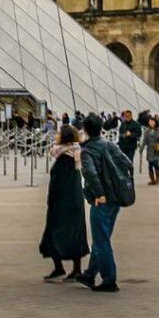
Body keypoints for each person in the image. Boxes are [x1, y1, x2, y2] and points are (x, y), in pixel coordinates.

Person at [73, 113, 132, 293]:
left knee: (101, 240)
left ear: (86, 130)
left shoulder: (87, 151)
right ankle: (90, 273)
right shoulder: (110, 145)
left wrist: (99, 193)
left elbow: (90, 174)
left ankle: (109, 279)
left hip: (102, 200)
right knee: (102, 237)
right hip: (116, 198)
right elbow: (128, 163)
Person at [39, 124, 89, 280]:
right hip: (76, 200)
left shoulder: (63, 158)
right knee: (76, 233)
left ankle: (59, 267)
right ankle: (77, 269)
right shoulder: (76, 153)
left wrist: (51, 200)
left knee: (53, 232)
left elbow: (57, 183)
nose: (57, 136)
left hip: (62, 201)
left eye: (59, 134)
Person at [141, 117, 159, 185]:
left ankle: (157, 178)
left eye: (152, 121)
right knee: (150, 165)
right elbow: (144, 141)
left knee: (155, 163)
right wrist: (141, 149)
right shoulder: (147, 131)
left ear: (155, 122)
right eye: (150, 121)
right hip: (150, 150)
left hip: (157, 150)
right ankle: (152, 180)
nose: (151, 123)